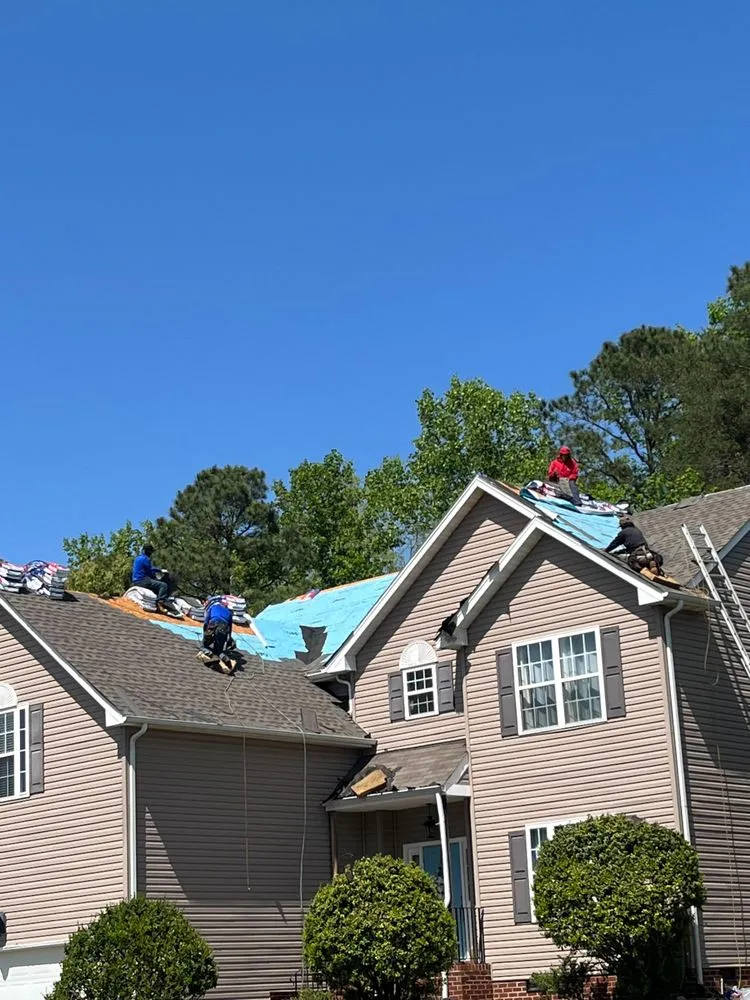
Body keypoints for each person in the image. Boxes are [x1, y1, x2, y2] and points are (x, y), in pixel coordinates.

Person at [199, 598, 235, 673]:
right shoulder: (229, 613)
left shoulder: (214, 607)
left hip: (213, 624)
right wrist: (229, 639)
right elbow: (229, 630)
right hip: (223, 628)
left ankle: (208, 652)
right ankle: (224, 657)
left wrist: (205, 633)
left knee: (204, 645)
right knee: (219, 650)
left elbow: (206, 621)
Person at [131, 544, 171, 610]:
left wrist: (158, 570)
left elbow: (148, 569)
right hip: (143, 581)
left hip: (135, 581)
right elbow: (150, 572)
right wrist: (157, 574)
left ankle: (156, 600)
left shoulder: (137, 558)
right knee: (163, 585)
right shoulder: (146, 559)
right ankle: (160, 603)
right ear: (149, 552)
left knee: (155, 584)